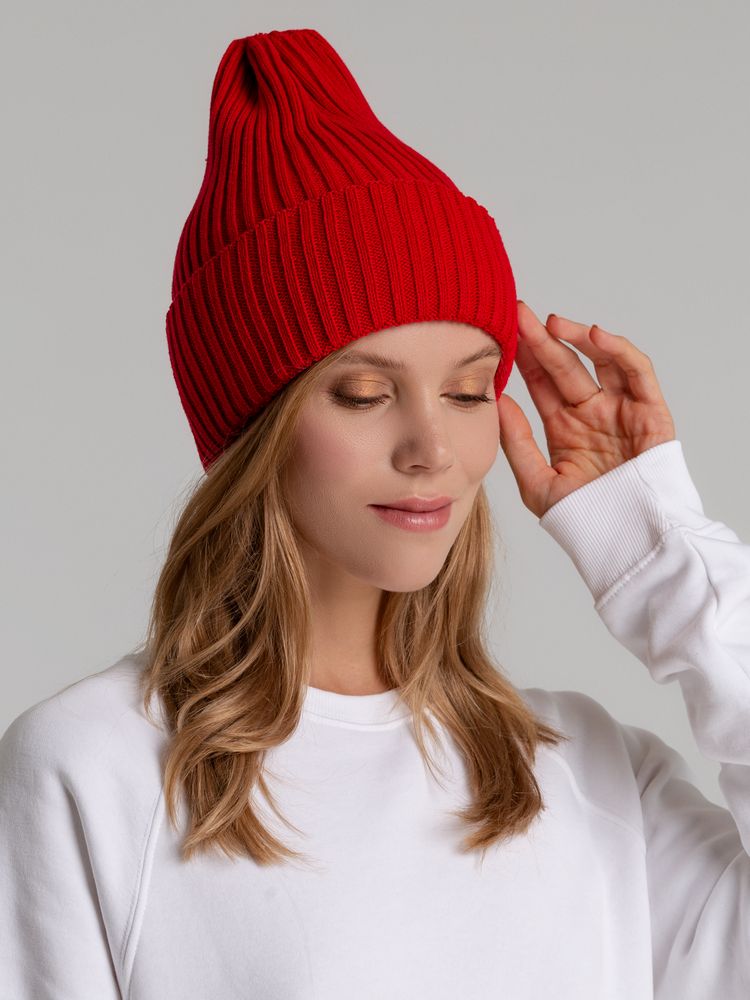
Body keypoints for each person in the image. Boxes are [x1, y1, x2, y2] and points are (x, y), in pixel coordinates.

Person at [1, 27, 748, 1000]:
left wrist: (659, 551)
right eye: (362, 394)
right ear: (256, 430)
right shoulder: (94, 770)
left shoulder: (593, 778)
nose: (431, 447)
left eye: (469, 392)